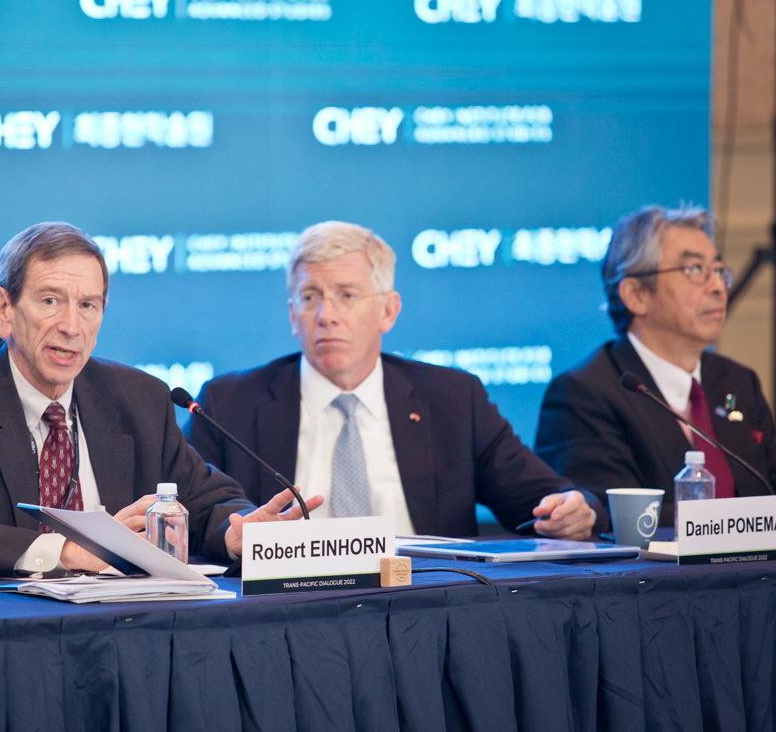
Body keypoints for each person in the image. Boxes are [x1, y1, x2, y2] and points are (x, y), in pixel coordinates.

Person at [0, 222, 315, 576]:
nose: (72, 326)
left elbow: (207, 502)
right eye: (50, 300)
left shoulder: (139, 398)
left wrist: (235, 533)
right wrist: (65, 551)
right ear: (4, 309)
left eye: (88, 305)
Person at [187, 221, 605, 540]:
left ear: (388, 311)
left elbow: (542, 499)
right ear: (293, 315)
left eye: (347, 295)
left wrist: (575, 510)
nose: (326, 316)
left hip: (425, 604)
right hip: (283, 610)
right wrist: (231, 535)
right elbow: (189, 514)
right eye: (310, 297)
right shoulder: (228, 405)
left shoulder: (453, 400)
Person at [535, 204, 776, 526]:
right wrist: (764, 515)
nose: (718, 287)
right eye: (695, 270)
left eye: (719, 271)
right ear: (636, 294)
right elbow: (614, 519)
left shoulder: (736, 382)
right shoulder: (583, 395)